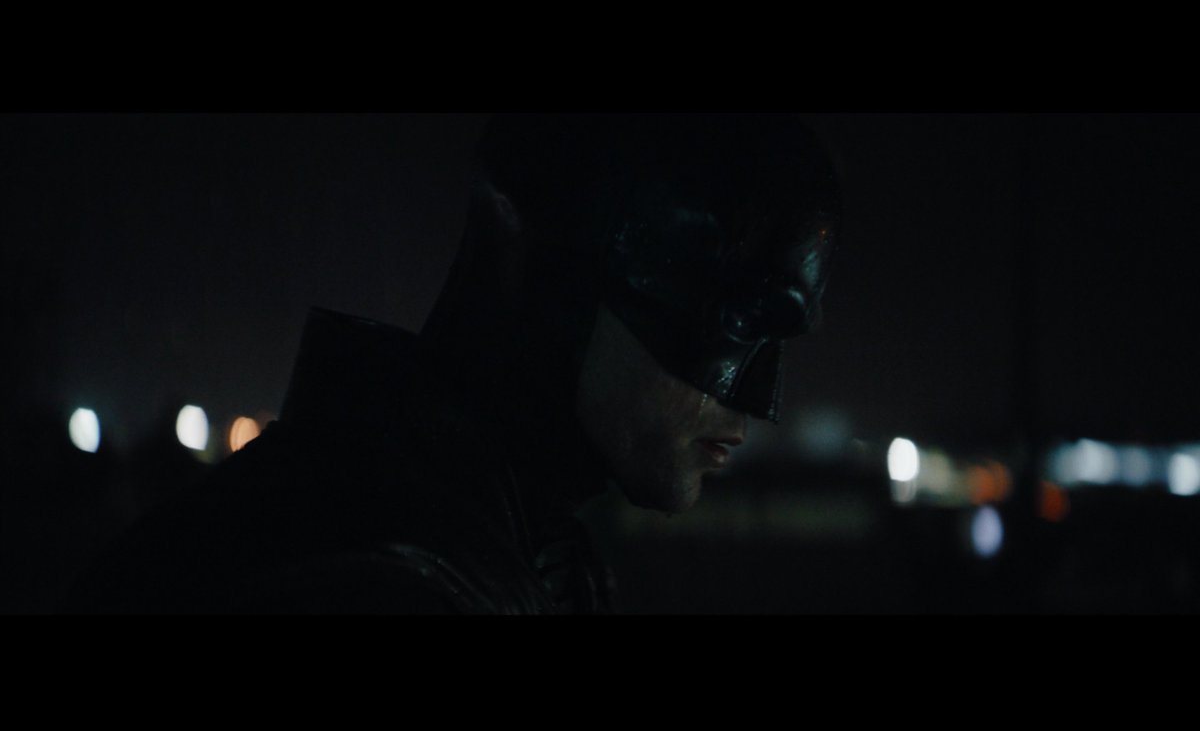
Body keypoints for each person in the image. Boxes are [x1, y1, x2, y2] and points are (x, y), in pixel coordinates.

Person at [61, 113, 841, 614]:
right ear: (541, 254)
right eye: (731, 316)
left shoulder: (520, 559)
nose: (759, 399)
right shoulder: (355, 573)